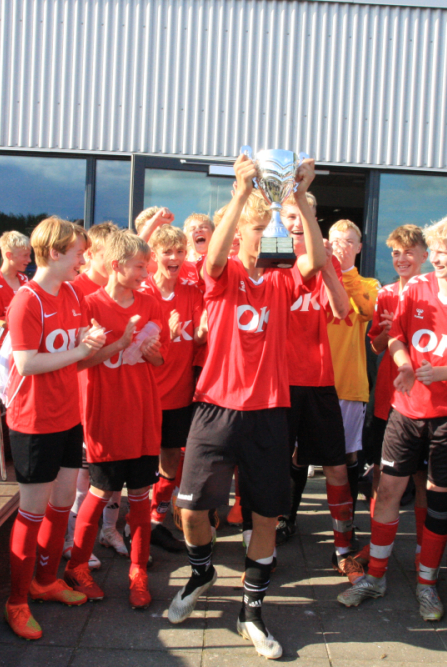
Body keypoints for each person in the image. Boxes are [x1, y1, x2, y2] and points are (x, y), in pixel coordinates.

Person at [168, 153, 324, 659]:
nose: (278, 234)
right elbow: (211, 261)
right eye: (265, 228)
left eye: (280, 228)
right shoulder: (224, 273)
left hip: (270, 412)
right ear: (242, 235)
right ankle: (202, 573)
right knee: (192, 510)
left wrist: (299, 199)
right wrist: (239, 195)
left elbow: (316, 261)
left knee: (265, 518)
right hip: (215, 408)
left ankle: (251, 612)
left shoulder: (283, 279)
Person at [337, 211, 447, 623]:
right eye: (435, 251)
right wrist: (405, 364)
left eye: (444, 252)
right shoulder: (417, 289)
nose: (436, 259)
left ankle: (426, 582)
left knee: (438, 499)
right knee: (387, 491)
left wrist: (440, 373)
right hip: (405, 411)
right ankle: (375, 576)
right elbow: (395, 337)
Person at [2, 217, 107, 641]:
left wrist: (96, 344)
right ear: (55, 252)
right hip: (33, 421)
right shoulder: (26, 300)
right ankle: (16, 601)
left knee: (62, 502)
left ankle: (45, 581)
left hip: (68, 414)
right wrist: (82, 349)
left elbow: (77, 350)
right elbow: (26, 363)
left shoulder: (72, 293)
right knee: (31, 512)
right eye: (79, 252)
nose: (84, 258)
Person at [67, 232, 167, 610]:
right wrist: (120, 343)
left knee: (140, 498)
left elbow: (160, 360)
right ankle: (77, 566)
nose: (146, 273)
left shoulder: (150, 303)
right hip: (105, 414)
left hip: (143, 412)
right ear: (115, 265)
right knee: (99, 492)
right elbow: (80, 362)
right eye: (140, 266)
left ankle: (138, 572)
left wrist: (151, 350)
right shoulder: (88, 304)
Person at [275, 195, 359, 579]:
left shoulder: (325, 261)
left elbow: (341, 311)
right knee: (272, 466)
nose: (297, 222)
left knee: (336, 467)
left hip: (319, 380)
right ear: (280, 219)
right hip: (276, 381)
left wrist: (325, 266)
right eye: (291, 215)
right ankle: (263, 547)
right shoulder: (271, 257)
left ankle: (343, 547)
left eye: (305, 214)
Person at [66, 221, 130, 560]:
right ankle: (73, 541)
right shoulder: (76, 290)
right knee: (83, 474)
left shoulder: (123, 288)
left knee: (113, 473)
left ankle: (109, 529)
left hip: (117, 397)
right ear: (93, 254)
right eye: (110, 253)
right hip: (83, 398)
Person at [142, 225, 207, 553]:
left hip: (180, 394)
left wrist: (207, 327)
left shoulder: (191, 292)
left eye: (180, 251)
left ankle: (156, 521)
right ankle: (134, 525)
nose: (175, 257)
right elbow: (138, 349)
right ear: (154, 255)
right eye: (168, 251)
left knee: (170, 458)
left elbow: (199, 337)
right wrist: (165, 336)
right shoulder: (143, 293)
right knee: (141, 463)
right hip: (146, 395)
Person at [367, 225, 429, 567]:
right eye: (395, 252)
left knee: (422, 478)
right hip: (386, 398)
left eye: (408, 252)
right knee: (381, 472)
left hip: (421, 400)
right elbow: (376, 345)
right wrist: (389, 332)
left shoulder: (433, 293)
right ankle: (376, 547)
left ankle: (423, 549)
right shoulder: (386, 294)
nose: (401, 258)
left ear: (424, 255)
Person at [325, 219, 379, 526]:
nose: (341, 247)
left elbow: (366, 310)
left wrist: (343, 272)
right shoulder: (314, 278)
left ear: (359, 248)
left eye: (348, 242)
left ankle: (345, 526)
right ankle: (286, 519)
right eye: (335, 241)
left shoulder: (369, 285)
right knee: (296, 455)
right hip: (312, 382)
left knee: (346, 457)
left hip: (348, 384)